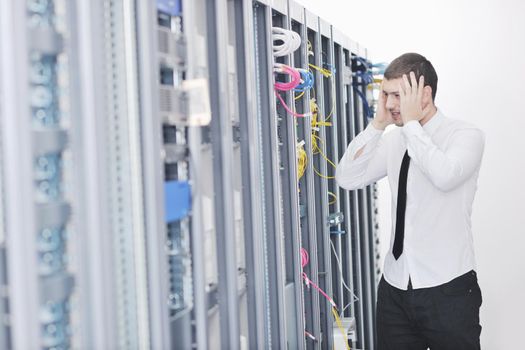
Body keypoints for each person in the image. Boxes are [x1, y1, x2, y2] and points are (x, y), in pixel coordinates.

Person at [336, 53, 485, 350]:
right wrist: (376, 126)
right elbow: (347, 178)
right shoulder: (394, 140)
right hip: (395, 288)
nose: (390, 104)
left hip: (448, 288)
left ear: (424, 95)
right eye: (385, 94)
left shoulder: (465, 135)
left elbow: (445, 176)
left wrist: (413, 125)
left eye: (398, 95)